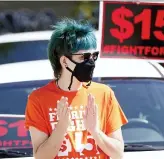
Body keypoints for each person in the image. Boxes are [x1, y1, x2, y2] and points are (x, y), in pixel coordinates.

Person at [25, 18, 128, 159]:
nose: (90, 62)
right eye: (84, 57)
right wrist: (61, 128)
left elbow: (118, 153)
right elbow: (40, 157)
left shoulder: (104, 94)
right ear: (64, 61)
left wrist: (95, 130)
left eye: (93, 56)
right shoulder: (38, 99)